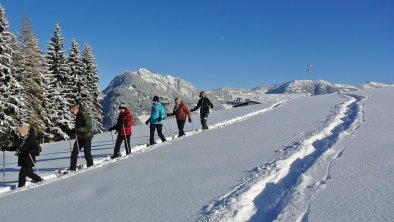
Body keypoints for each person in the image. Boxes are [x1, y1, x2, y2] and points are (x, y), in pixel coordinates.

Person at [68, 104, 94, 171]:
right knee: (74, 153)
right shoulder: (78, 116)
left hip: (86, 136)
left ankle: (91, 167)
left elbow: (88, 127)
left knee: (87, 153)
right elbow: (78, 127)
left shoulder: (84, 114)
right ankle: (72, 169)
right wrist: (72, 131)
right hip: (79, 137)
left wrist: (78, 129)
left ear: (76, 109)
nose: (72, 114)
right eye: (71, 112)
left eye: (72, 112)